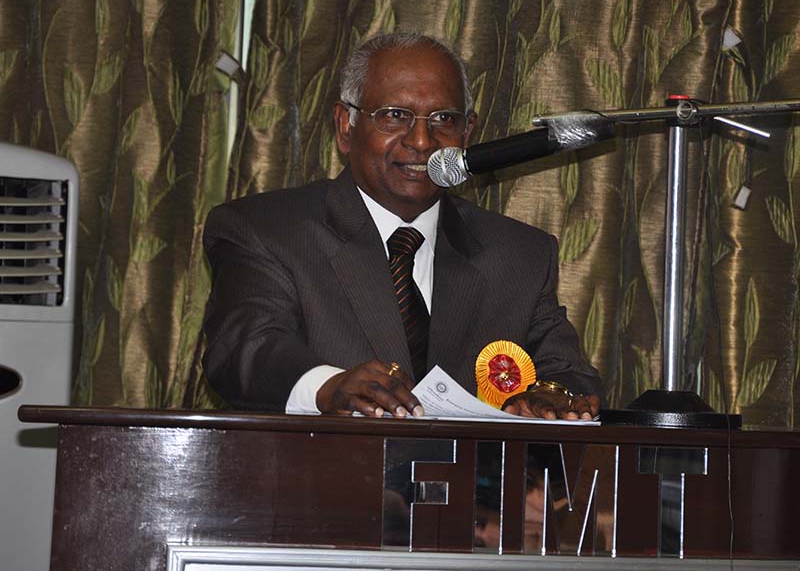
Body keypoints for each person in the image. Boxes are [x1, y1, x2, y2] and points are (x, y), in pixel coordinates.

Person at [202, 32, 602, 419]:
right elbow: (245, 350)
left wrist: (550, 398)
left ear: (467, 133)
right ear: (345, 127)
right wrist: (328, 387)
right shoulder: (266, 230)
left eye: (444, 119)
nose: (423, 141)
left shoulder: (520, 255)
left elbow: (568, 375)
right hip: (325, 465)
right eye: (395, 116)